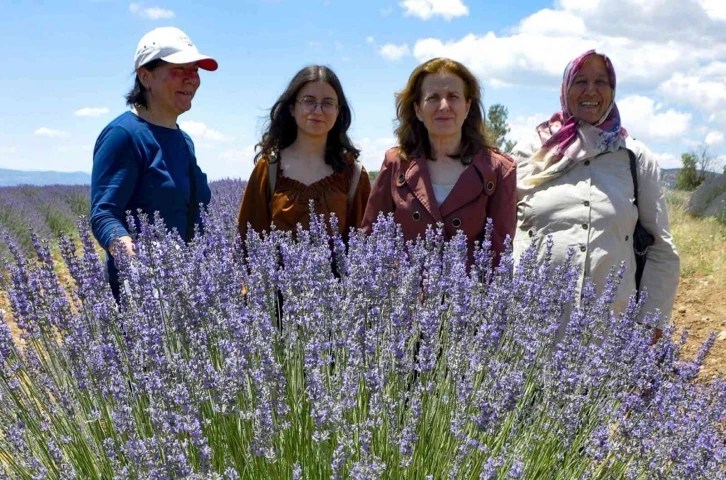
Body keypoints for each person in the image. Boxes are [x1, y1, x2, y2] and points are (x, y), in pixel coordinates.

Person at [510, 49, 680, 339]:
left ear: (612, 89)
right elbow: (499, 232)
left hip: (608, 332)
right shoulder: (531, 153)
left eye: (601, 81)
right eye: (580, 81)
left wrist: (651, 323)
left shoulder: (634, 157)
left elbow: (661, 249)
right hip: (532, 329)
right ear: (565, 88)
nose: (591, 90)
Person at [90, 27, 217, 300]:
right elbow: (103, 214)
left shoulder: (183, 140)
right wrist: (138, 265)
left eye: (194, 71)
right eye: (179, 70)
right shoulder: (124, 135)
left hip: (187, 294)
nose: (191, 79)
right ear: (145, 76)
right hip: (143, 299)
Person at [361, 57, 516, 267]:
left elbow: (500, 256)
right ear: (418, 109)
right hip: (403, 295)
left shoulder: (498, 170)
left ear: (467, 106)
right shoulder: (396, 163)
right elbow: (370, 240)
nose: (444, 106)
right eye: (433, 98)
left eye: (453, 97)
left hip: (468, 297)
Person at [236, 65, 371, 247]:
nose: (317, 110)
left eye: (328, 103)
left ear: (338, 111)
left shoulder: (353, 174)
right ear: (292, 108)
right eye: (308, 101)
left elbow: (363, 247)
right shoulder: (269, 168)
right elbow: (247, 243)